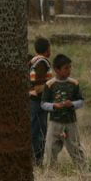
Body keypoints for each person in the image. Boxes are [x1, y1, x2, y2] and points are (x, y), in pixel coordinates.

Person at [41, 54, 86, 170]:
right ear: (57, 69)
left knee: (75, 146)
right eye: (66, 68)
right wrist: (54, 106)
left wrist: (72, 104)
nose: (69, 70)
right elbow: (43, 104)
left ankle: (83, 171)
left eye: (70, 67)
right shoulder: (50, 84)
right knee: (50, 147)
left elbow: (81, 101)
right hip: (54, 121)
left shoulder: (74, 83)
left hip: (71, 122)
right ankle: (50, 171)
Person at [29, 37, 52, 166]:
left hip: (34, 101)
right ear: (47, 49)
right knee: (39, 131)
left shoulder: (34, 61)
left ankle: (35, 158)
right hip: (39, 101)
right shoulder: (42, 63)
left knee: (35, 129)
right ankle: (37, 160)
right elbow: (38, 86)